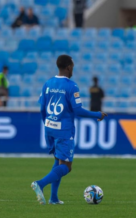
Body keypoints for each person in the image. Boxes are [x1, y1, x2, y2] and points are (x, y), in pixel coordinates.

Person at [31, 55, 107, 205]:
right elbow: (77, 110)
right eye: (72, 65)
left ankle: (54, 198)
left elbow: (42, 108)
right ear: (68, 67)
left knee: (58, 160)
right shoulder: (71, 86)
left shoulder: (48, 83)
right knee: (66, 166)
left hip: (50, 127)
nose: (73, 68)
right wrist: (97, 114)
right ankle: (40, 184)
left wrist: (46, 124)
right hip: (64, 130)